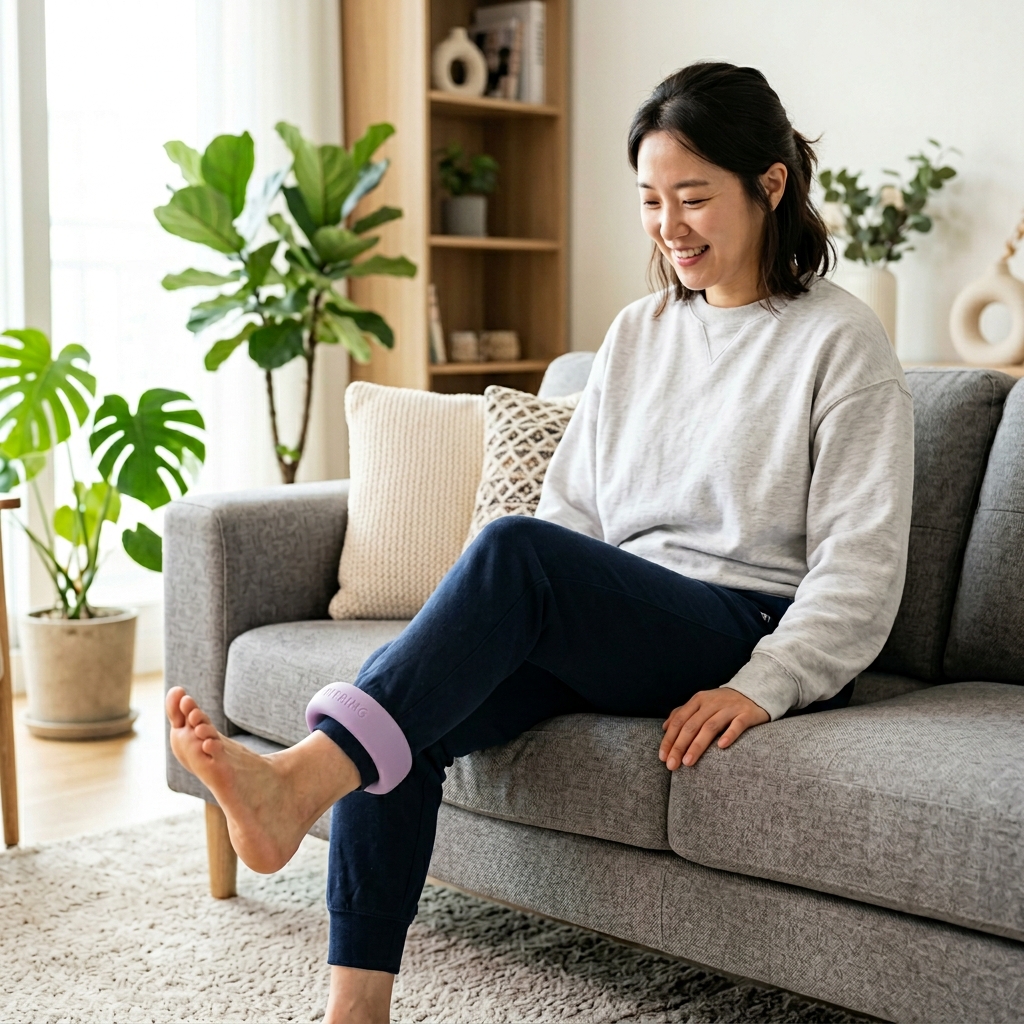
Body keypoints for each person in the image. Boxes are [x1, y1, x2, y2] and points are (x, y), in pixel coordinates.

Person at [166, 62, 914, 1023]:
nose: (669, 226)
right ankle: (356, 1008)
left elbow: (861, 565)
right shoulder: (640, 333)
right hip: (625, 617)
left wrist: (761, 683)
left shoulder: (841, 342)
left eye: (694, 198)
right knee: (396, 717)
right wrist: (518, 627)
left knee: (511, 553)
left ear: (770, 187)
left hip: (744, 622)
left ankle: (294, 785)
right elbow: (577, 515)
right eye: (650, 200)